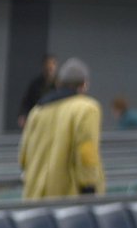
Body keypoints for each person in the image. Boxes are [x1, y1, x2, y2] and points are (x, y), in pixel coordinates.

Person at [20, 56, 104, 200]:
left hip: (33, 197)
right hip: (67, 199)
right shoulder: (86, 109)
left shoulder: (37, 111)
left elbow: (23, 155)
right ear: (83, 85)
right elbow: (86, 151)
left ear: (59, 84)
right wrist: (89, 188)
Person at [17, 54, 60, 126]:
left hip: (55, 120)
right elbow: (27, 101)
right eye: (47, 67)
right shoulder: (35, 84)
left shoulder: (61, 84)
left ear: (55, 67)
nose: (49, 69)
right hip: (39, 119)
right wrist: (23, 115)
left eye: (51, 67)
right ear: (43, 67)